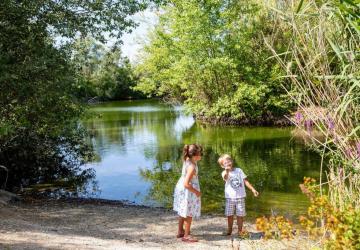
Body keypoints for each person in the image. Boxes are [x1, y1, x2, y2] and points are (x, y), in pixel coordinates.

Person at [218, 154, 259, 237]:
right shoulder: (224, 172)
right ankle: (229, 230)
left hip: (240, 197)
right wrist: (227, 171)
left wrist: (252, 189)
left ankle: (240, 231)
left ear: (232, 161)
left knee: (240, 215)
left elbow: (245, 181)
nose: (228, 163)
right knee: (230, 215)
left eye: (229, 160)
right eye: (225, 162)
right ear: (223, 166)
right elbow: (225, 178)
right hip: (230, 198)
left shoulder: (239, 170)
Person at [173, 144, 203, 243]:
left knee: (183, 210)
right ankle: (186, 235)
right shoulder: (192, 166)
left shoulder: (187, 159)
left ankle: (180, 231)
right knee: (189, 213)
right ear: (195, 155)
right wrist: (197, 192)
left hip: (181, 188)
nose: (201, 155)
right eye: (200, 153)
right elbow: (187, 184)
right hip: (188, 191)